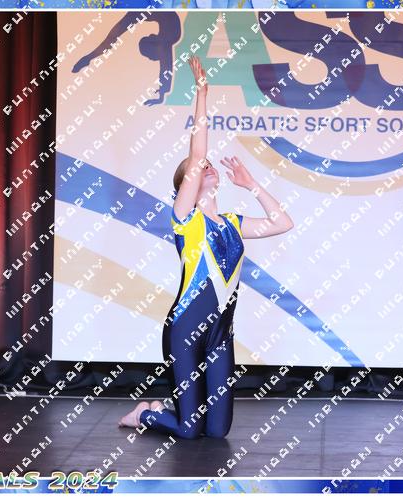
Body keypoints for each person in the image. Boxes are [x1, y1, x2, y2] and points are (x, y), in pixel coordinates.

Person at [118, 55, 294, 438]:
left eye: (210, 166)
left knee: (217, 432)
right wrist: (201, 94)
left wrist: (252, 185)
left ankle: (162, 409)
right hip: (184, 331)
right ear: (188, 183)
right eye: (199, 169)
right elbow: (197, 155)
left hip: (220, 334)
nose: (206, 166)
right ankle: (145, 414)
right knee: (189, 429)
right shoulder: (186, 220)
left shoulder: (232, 223)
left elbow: (283, 223)